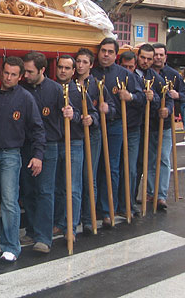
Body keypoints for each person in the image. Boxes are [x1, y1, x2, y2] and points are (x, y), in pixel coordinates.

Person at [0, 56, 45, 262]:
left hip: (11, 154)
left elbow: (37, 129)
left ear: (20, 76)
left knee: (9, 201)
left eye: (13, 74)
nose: (8, 77)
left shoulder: (25, 98)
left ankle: (11, 245)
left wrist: (38, 155)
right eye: (5, 73)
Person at [19, 52, 76, 254]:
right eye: (24, 70)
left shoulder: (56, 90)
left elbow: (71, 113)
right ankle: (32, 230)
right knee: (29, 191)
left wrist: (72, 113)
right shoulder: (22, 87)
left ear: (42, 70)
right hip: (26, 145)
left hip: (49, 146)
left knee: (45, 191)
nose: (25, 75)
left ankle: (44, 237)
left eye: (30, 71)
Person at [91, 38, 145, 227]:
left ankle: (108, 209)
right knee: (93, 167)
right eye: (103, 51)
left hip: (115, 125)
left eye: (110, 52)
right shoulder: (91, 72)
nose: (105, 55)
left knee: (111, 167)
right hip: (94, 125)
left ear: (116, 54)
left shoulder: (125, 74)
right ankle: (93, 208)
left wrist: (129, 96)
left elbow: (142, 97)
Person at [54, 55, 98, 240]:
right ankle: (58, 222)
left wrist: (84, 117)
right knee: (56, 187)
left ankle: (70, 227)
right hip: (55, 143)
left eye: (67, 68)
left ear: (73, 72)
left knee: (73, 187)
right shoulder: (51, 89)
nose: (63, 71)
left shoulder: (79, 91)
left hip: (74, 142)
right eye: (60, 67)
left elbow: (92, 115)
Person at [74, 48, 114, 234]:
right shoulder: (70, 84)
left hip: (92, 134)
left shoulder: (97, 85)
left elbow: (110, 108)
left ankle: (89, 219)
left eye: (84, 62)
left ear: (91, 65)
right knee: (74, 179)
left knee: (89, 176)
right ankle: (73, 218)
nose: (80, 65)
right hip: (74, 134)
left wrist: (96, 117)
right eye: (78, 61)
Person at [119, 45, 161, 217]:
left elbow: (159, 97)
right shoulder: (119, 76)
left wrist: (153, 98)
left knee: (134, 167)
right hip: (117, 126)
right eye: (143, 57)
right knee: (115, 168)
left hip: (140, 126)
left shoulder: (155, 78)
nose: (146, 61)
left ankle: (129, 201)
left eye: (149, 59)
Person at [150, 43, 185, 210]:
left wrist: (177, 95)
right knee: (149, 160)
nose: (158, 57)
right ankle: (150, 192)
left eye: (161, 55)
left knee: (164, 159)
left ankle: (161, 196)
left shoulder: (173, 75)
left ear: (165, 56)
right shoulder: (146, 73)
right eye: (155, 55)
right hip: (147, 124)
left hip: (165, 125)